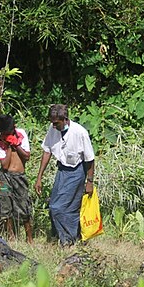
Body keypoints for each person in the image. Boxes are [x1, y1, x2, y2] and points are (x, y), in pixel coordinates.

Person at [35, 104, 95, 246]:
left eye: (56, 123)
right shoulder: (53, 129)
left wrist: (89, 181)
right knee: (55, 206)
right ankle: (66, 236)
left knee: (59, 207)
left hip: (76, 172)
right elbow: (47, 151)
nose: (53, 126)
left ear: (65, 119)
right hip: (62, 171)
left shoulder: (80, 133)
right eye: (52, 122)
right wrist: (39, 177)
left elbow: (90, 159)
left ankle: (68, 240)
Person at [0, 115, 33, 243]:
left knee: (24, 206)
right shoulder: (0, 142)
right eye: (2, 133)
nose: (4, 134)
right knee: (4, 207)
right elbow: (4, 165)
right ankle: (11, 236)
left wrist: (16, 145)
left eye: (7, 132)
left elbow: (26, 156)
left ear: (13, 127)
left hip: (19, 177)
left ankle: (29, 237)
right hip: (4, 178)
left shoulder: (21, 134)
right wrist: (9, 147)